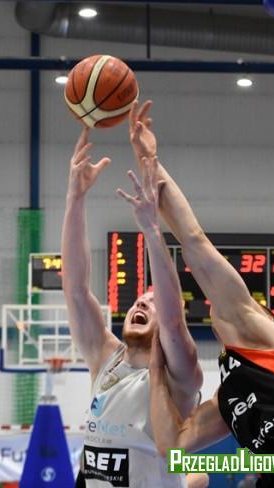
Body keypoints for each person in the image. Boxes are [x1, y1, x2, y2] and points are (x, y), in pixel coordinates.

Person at [126, 101, 274, 488]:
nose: (221, 307)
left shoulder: (262, 336)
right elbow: (174, 449)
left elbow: (194, 241)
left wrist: (150, 160)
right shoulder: (229, 396)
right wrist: (155, 373)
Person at [61, 128, 204, 487]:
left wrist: (152, 230)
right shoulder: (104, 356)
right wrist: (75, 197)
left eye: (154, 302)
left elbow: (172, 323)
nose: (143, 300)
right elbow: (75, 289)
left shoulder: (179, 377)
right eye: (141, 298)